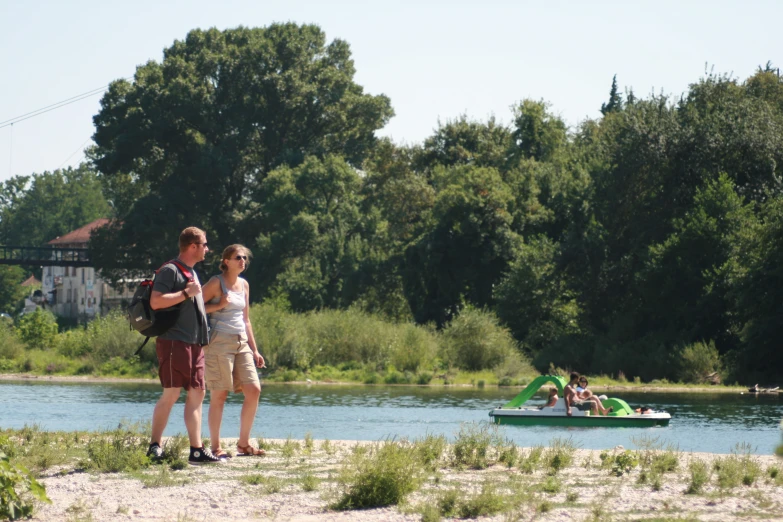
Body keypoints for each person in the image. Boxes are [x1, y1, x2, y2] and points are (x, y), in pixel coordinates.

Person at [147, 227, 221, 465]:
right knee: (171, 393)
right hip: (173, 342)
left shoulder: (192, 271)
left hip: (195, 344)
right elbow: (156, 301)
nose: (207, 249)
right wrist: (185, 293)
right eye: (204, 244)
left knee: (198, 393)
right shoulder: (170, 270)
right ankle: (154, 446)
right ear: (193, 246)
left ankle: (196, 450)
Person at [202, 244, 266, 458]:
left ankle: (244, 443)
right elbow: (193, 306)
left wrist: (255, 350)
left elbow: (246, 319)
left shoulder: (244, 285)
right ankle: (215, 447)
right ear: (226, 261)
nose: (242, 261)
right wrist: (218, 306)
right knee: (219, 395)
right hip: (219, 342)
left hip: (242, 343)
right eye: (238, 257)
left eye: (245, 258)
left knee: (254, 390)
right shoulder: (215, 283)